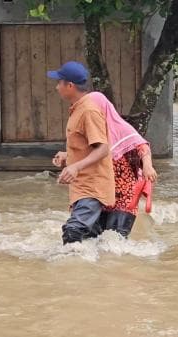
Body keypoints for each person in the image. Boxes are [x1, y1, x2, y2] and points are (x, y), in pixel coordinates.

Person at [56, 92, 158, 238]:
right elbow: (88, 154)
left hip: (124, 196)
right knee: (91, 239)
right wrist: (66, 157)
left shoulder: (122, 129)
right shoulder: (93, 130)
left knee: (115, 241)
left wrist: (147, 166)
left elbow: (142, 147)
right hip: (100, 193)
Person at [48, 61, 115, 244]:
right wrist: (68, 156)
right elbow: (87, 146)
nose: (56, 87)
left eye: (59, 82)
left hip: (92, 188)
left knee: (73, 231)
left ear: (69, 86)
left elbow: (103, 148)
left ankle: (70, 271)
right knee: (91, 239)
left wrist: (76, 166)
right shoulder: (78, 109)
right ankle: (93, 270)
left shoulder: (88, 111)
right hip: (82, 187)